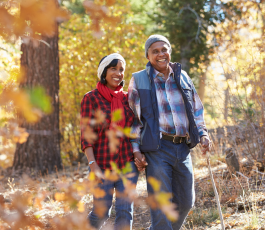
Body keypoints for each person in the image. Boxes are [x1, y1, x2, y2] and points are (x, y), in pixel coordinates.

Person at [128, 35, 211, 230]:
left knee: (185, 203)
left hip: (182, 148)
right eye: (155, 51)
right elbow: (133, 118)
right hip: (157, 148)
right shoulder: (139, 79)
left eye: (164, 49)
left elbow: (196, 109)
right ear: (148, 55)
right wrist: (135, 149)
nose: (160, 54)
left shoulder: (182, 76)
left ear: (169, 51)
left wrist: (203, 134)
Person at [80, 53, 143, 230]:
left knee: (125, 211)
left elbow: (135, 128)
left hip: (127, 163)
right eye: (113, 68)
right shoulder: (91, 98)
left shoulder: (128, 98)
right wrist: (93, 165)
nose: (118, 73)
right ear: (104, 72)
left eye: (121, 69)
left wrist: (137, 152)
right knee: (101, 213)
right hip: (101, 163)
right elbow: (86, 136)